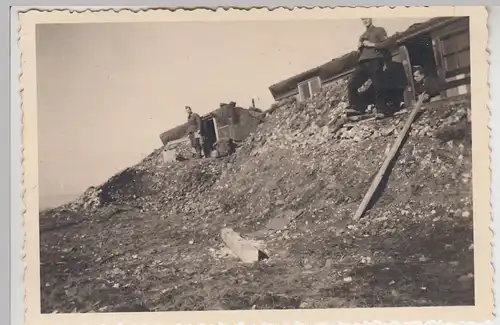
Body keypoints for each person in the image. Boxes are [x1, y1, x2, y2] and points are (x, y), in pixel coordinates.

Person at [345, 18, 391, 119]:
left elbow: (387, 44)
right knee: (351, 83)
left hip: (375, 60)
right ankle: (357, 108)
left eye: (366, 18)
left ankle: (381, 109)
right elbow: (361, 53)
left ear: (371, 18)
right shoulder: (362, 36)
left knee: (378, 85)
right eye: (363, 19)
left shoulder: (379, 30)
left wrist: (372, 44)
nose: (365, 20)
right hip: (362, 63)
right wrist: (360, 48)